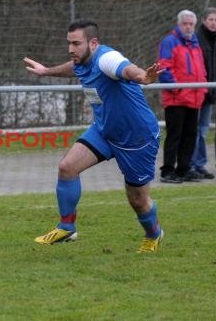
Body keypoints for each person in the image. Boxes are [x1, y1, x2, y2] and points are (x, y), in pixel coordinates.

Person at [23, 19, 164, 253]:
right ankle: (67, 227)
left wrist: (142, 77)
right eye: (69, 43)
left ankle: (154, 233)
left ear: (94, 43)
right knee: (67, 167)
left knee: (138, 200)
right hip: (104, 130)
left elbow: (126, 69)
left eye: (76, 43)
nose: (71, 49)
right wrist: (46, 71)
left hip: (136, 138)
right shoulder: (82, 60)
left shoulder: (107, 59)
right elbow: (73, 67)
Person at [158, 10, 208, 183]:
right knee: (174, 136)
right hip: (176, 99)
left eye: (191, 24)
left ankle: (184, 169)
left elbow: (200, 69)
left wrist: (202, 89)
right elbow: (163, 67)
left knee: (190, 136)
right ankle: (168, 170)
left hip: (194, 98)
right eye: (185, 23)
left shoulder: (195, 44)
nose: (188, 26)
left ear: (194, 25)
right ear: (179, 24)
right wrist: (176, 89)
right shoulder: (170, 42)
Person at [191, 7, 216, 179]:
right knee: (193, 131)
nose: (214, 23)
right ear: (203, 21)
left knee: (202, 130)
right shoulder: (196, 39)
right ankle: (191, 164)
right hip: (196, 92)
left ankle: (200, 164)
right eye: (211, 19)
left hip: (210, 94)